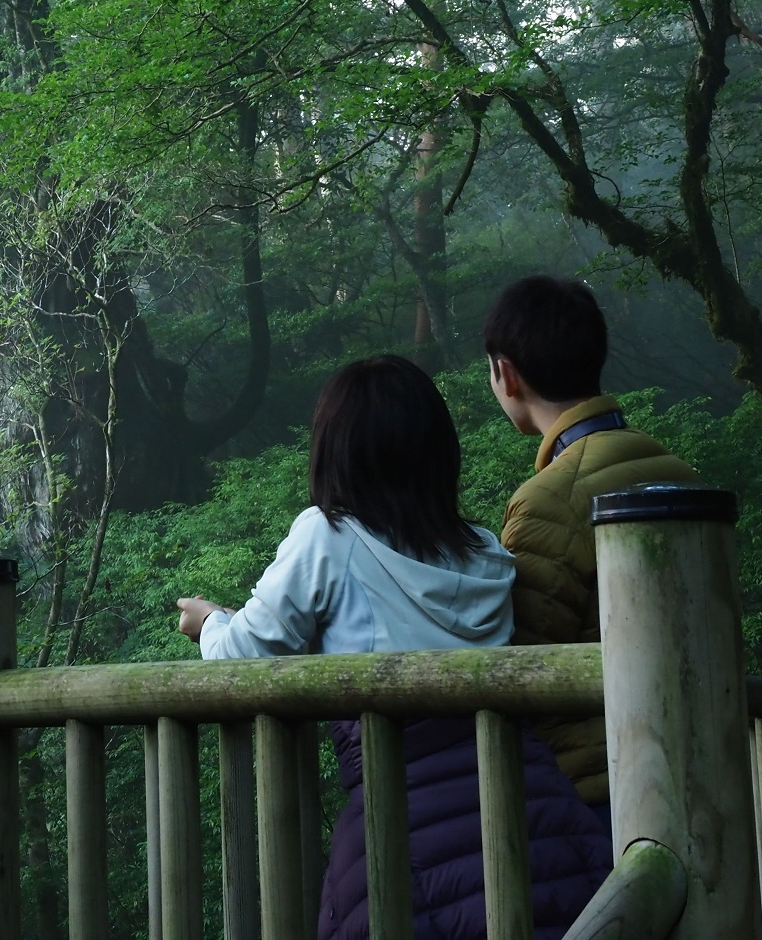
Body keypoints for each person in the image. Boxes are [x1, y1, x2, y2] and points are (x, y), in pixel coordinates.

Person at [176, 355, 610, 940]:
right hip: (530, 805)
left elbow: (243, 660)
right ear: (438, 452)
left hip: (401, 814)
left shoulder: (328, 537)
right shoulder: (484, 552)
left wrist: (209, 624)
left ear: (336, 451)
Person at [485, 274, 702, 826]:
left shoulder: (549, 500)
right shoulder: (680, 473)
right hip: (700, 764)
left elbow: (525, 674)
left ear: (506, 374)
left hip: (601, 794)